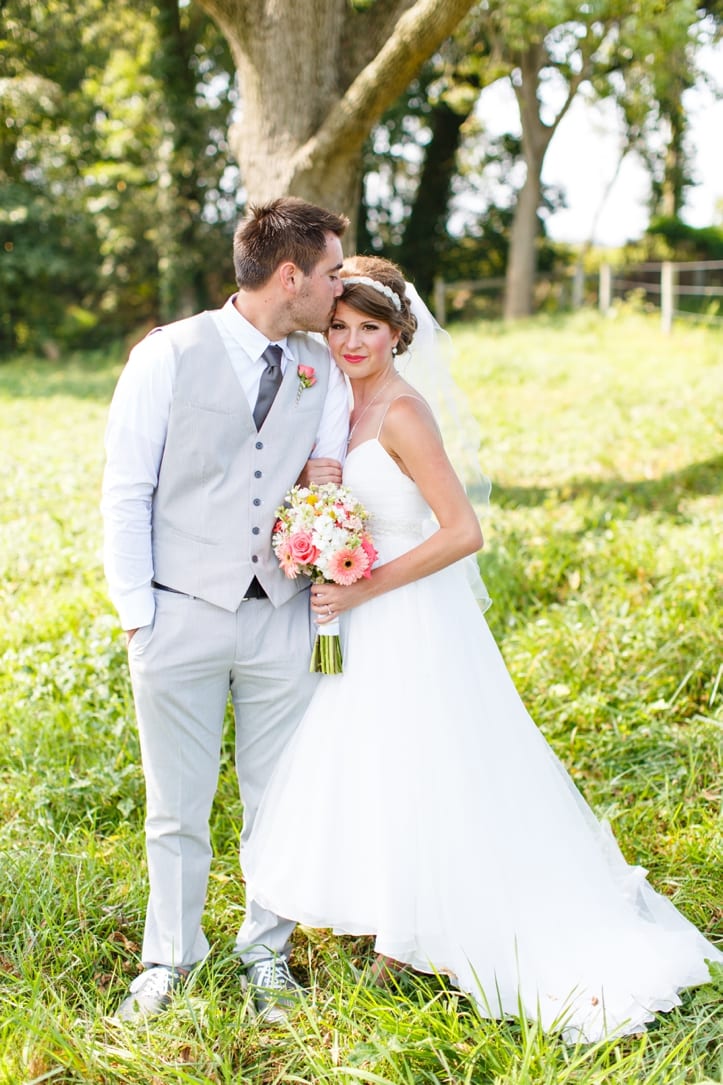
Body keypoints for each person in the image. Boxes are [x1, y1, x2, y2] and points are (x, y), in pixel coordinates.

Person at [242, 256, 723, 1043]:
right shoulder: (334, 403)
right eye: (339, 325)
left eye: (370, 327)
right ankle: (390, 915)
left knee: (426, 759)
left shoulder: (401, 411)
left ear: (400, 333)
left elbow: (463, 531)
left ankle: (411, 938)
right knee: (372, 760)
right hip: (356, 616)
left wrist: (364, 585)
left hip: (407, 614)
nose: (352, 341)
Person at [101, 197, 351, 1023]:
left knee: (277, 796)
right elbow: (126, 489)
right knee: (175, 802)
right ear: (291, 275)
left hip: (280, 616)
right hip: (179, 614)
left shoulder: (320, 366)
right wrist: (141, 614)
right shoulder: (165, 355)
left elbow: (328, 480)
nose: (338, 286)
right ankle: (170, 958)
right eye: (331, 271)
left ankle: (265, 954)